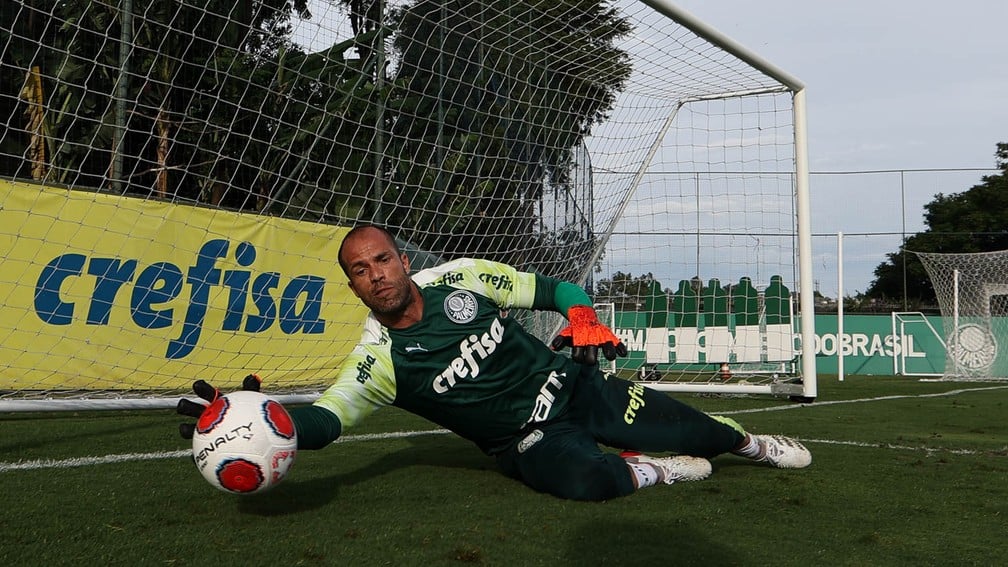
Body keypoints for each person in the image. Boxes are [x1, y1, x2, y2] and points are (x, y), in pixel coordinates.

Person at [179, 224, 811, 501]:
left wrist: (582, 314)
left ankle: (754, 443)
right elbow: (323, 422)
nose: (376, 275)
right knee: (585, 484)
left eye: (382, 260)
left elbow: (553, 289)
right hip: (525, 441)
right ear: (353, 287)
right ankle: (656, 473)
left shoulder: (463, 279)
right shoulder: (379, 362)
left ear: (402, 259)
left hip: (576, 387)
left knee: (703, 430)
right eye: (360, 271)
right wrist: (253, 417)